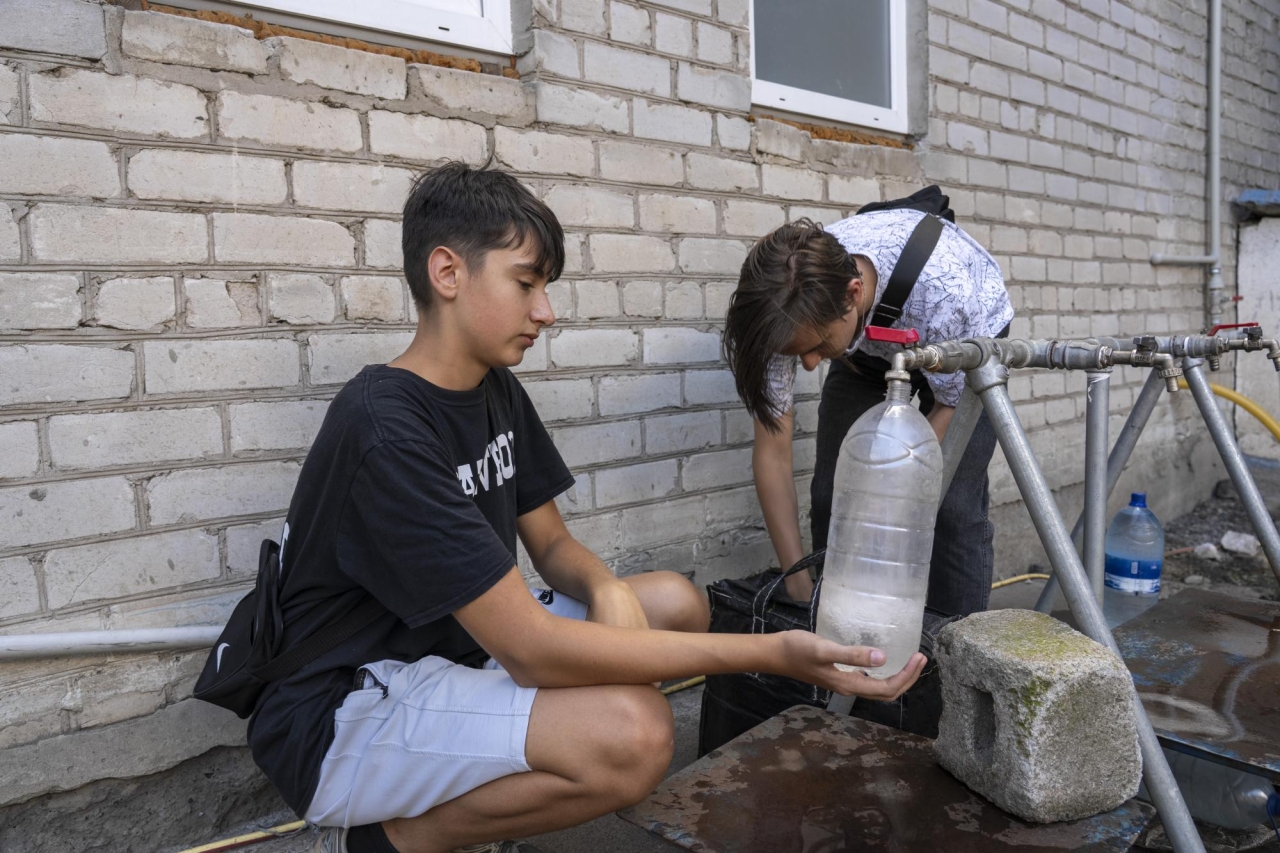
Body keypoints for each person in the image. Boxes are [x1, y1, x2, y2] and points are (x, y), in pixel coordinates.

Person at [247, 164, 926, 853]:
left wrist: (603, 586)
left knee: (673, 601)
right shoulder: (386, 429)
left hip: (453, 650)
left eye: (546, 288)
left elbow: (550, 544)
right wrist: (778, 652)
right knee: (636, 734)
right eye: (525, 283)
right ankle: (386, 840)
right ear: (448, 273)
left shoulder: (493, 389)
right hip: (342, 710)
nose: (545, 310)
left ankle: (473, 768)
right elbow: (532, 651)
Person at [723, 211, 1014, 615]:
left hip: (961, 345)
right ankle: (836, 624)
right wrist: (797, 579)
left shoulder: (946, 294)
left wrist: (890, 493)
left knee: (950, 508)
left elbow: (949, 406)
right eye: (797, 352)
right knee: (835, 493)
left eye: (817, 347)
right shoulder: (784, 312)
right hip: (864, 343)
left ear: (853, 292)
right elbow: (773, 454)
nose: (808, 364)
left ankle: (953, 653)